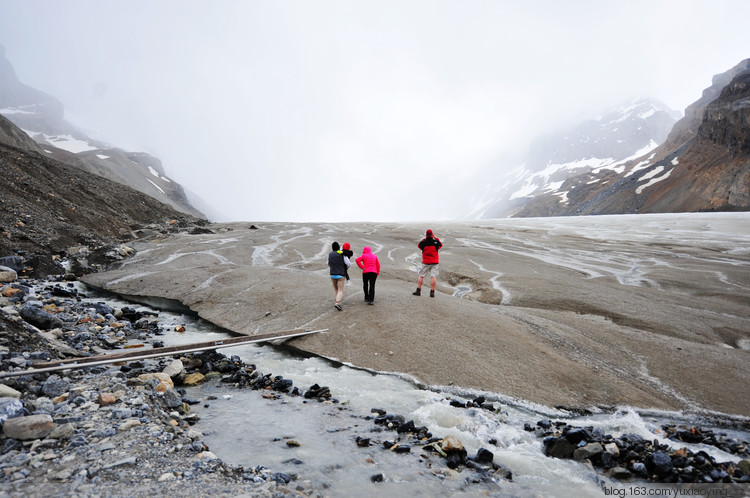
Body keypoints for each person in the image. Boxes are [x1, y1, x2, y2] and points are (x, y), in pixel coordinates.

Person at [413, 229, 442, 297]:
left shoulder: (424, 242)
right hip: (434, 262)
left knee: (421, 275)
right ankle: (432, 292)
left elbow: (419, 246)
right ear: (432, 234)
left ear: (426, 235)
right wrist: (436, 238)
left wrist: (425, 239)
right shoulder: (435, 242)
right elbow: (440, 245)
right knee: (433, 276)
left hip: (426, 262)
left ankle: (418, 290)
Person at [327, 241, 350, 310]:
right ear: (339, 247)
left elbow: (328, 263)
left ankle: (336, 301)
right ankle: (337, 302)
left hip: (332, 274)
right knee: (340, 290)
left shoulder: (329, 254)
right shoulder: (342, 254)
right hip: (340, 274)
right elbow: (348, 263)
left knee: (335, 289)